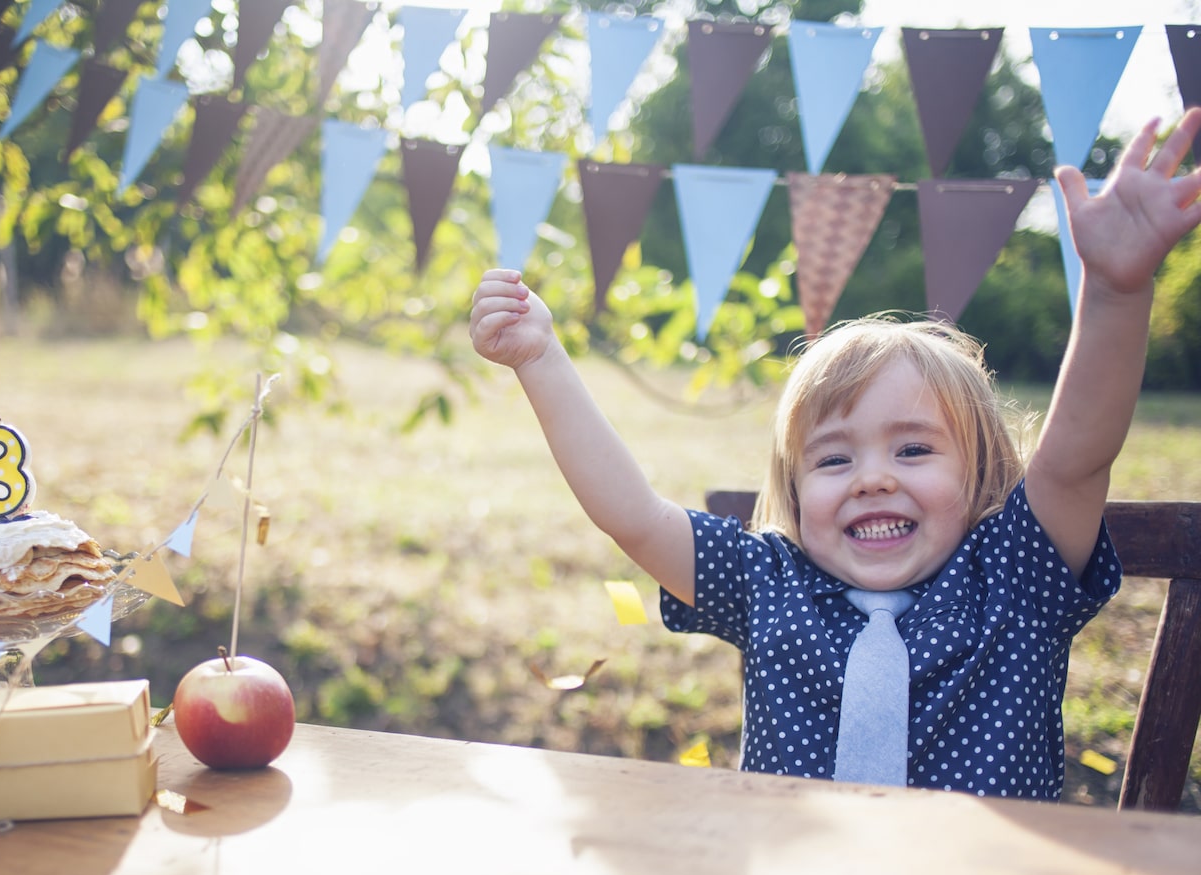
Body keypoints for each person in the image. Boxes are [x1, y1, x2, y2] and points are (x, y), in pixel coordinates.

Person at [469, 109, 1201, 799]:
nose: (874, 479)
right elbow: (634, 517)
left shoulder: (1015, 579)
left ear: (981, 478)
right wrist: (541, 359)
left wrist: (1113, 290)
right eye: (832, 460)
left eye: (913, 449)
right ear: (792, 489)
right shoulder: (768, 582)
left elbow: (1076, 459)